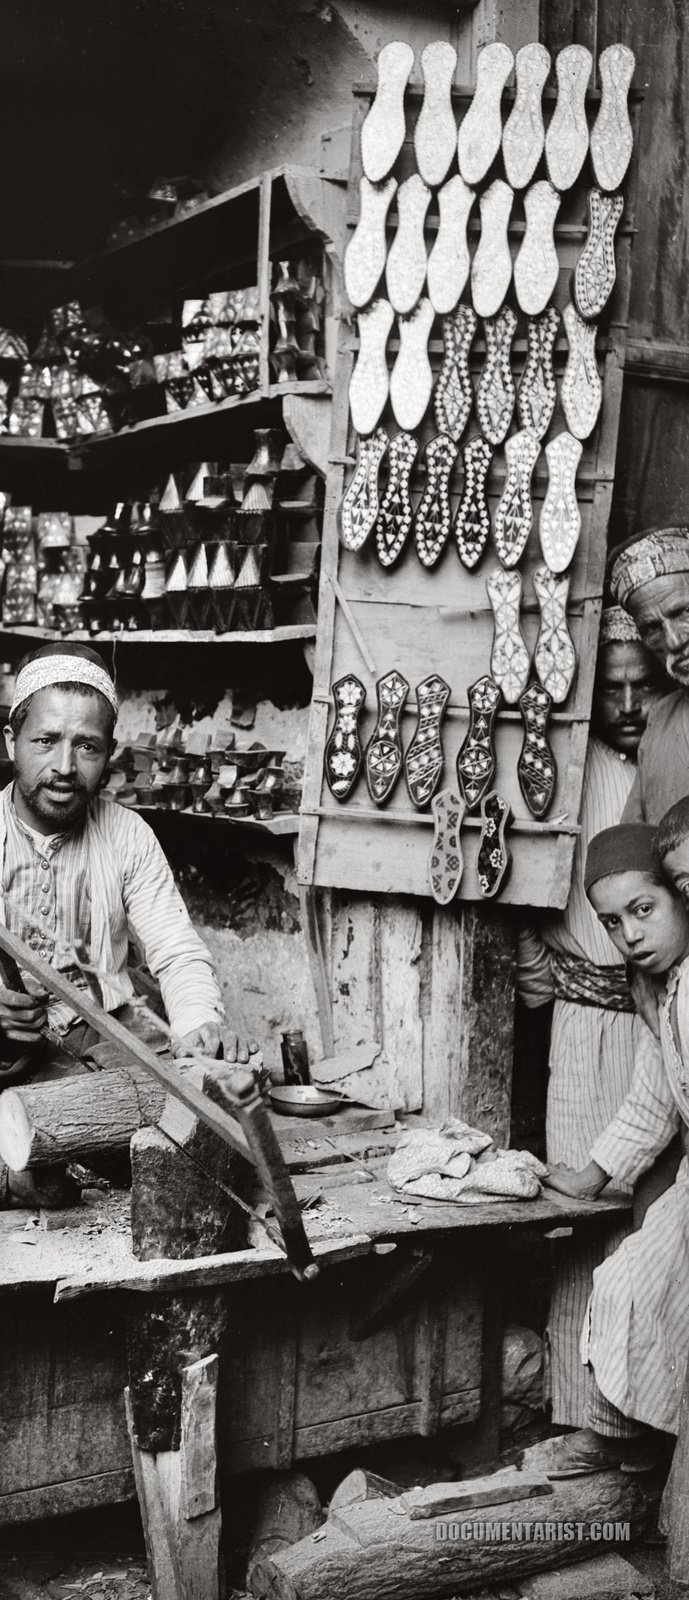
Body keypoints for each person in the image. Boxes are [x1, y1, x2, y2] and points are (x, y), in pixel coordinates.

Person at [0, 641, 251, 1208]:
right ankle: (15, 1152)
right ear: (12, 742)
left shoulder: (127, 836)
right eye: (46, 742)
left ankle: (28, 1143)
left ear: (109, 753)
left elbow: (176, 952)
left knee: (196, 1111)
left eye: (86, 747)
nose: (65, 768)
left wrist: (199, 1024)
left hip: (95, 1042)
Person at [517, 608, 666, 1430]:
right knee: (575, 1216)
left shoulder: (673, 766)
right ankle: (578, 1423)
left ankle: (636, 1429)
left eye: (640, 685)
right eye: (608, 688)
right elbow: (521, 902)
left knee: (646, 1224)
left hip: (660, 1023)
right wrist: (555, 981)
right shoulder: (564, 770)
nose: (626, 703)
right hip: (581, 1025)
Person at [541, 816, 689, 1473]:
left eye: (643, 909)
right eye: (611, 922)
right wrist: (592, 1175)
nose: (629, 934)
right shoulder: (664, 991)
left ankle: (651, 1448)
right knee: (625, 1283)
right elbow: (654, 1102)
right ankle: (629, 1437)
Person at [610, 525, 689, 824]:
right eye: (651, 628)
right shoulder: (660, 720)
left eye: (683, 611)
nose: (674, 641)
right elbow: (633, 847)